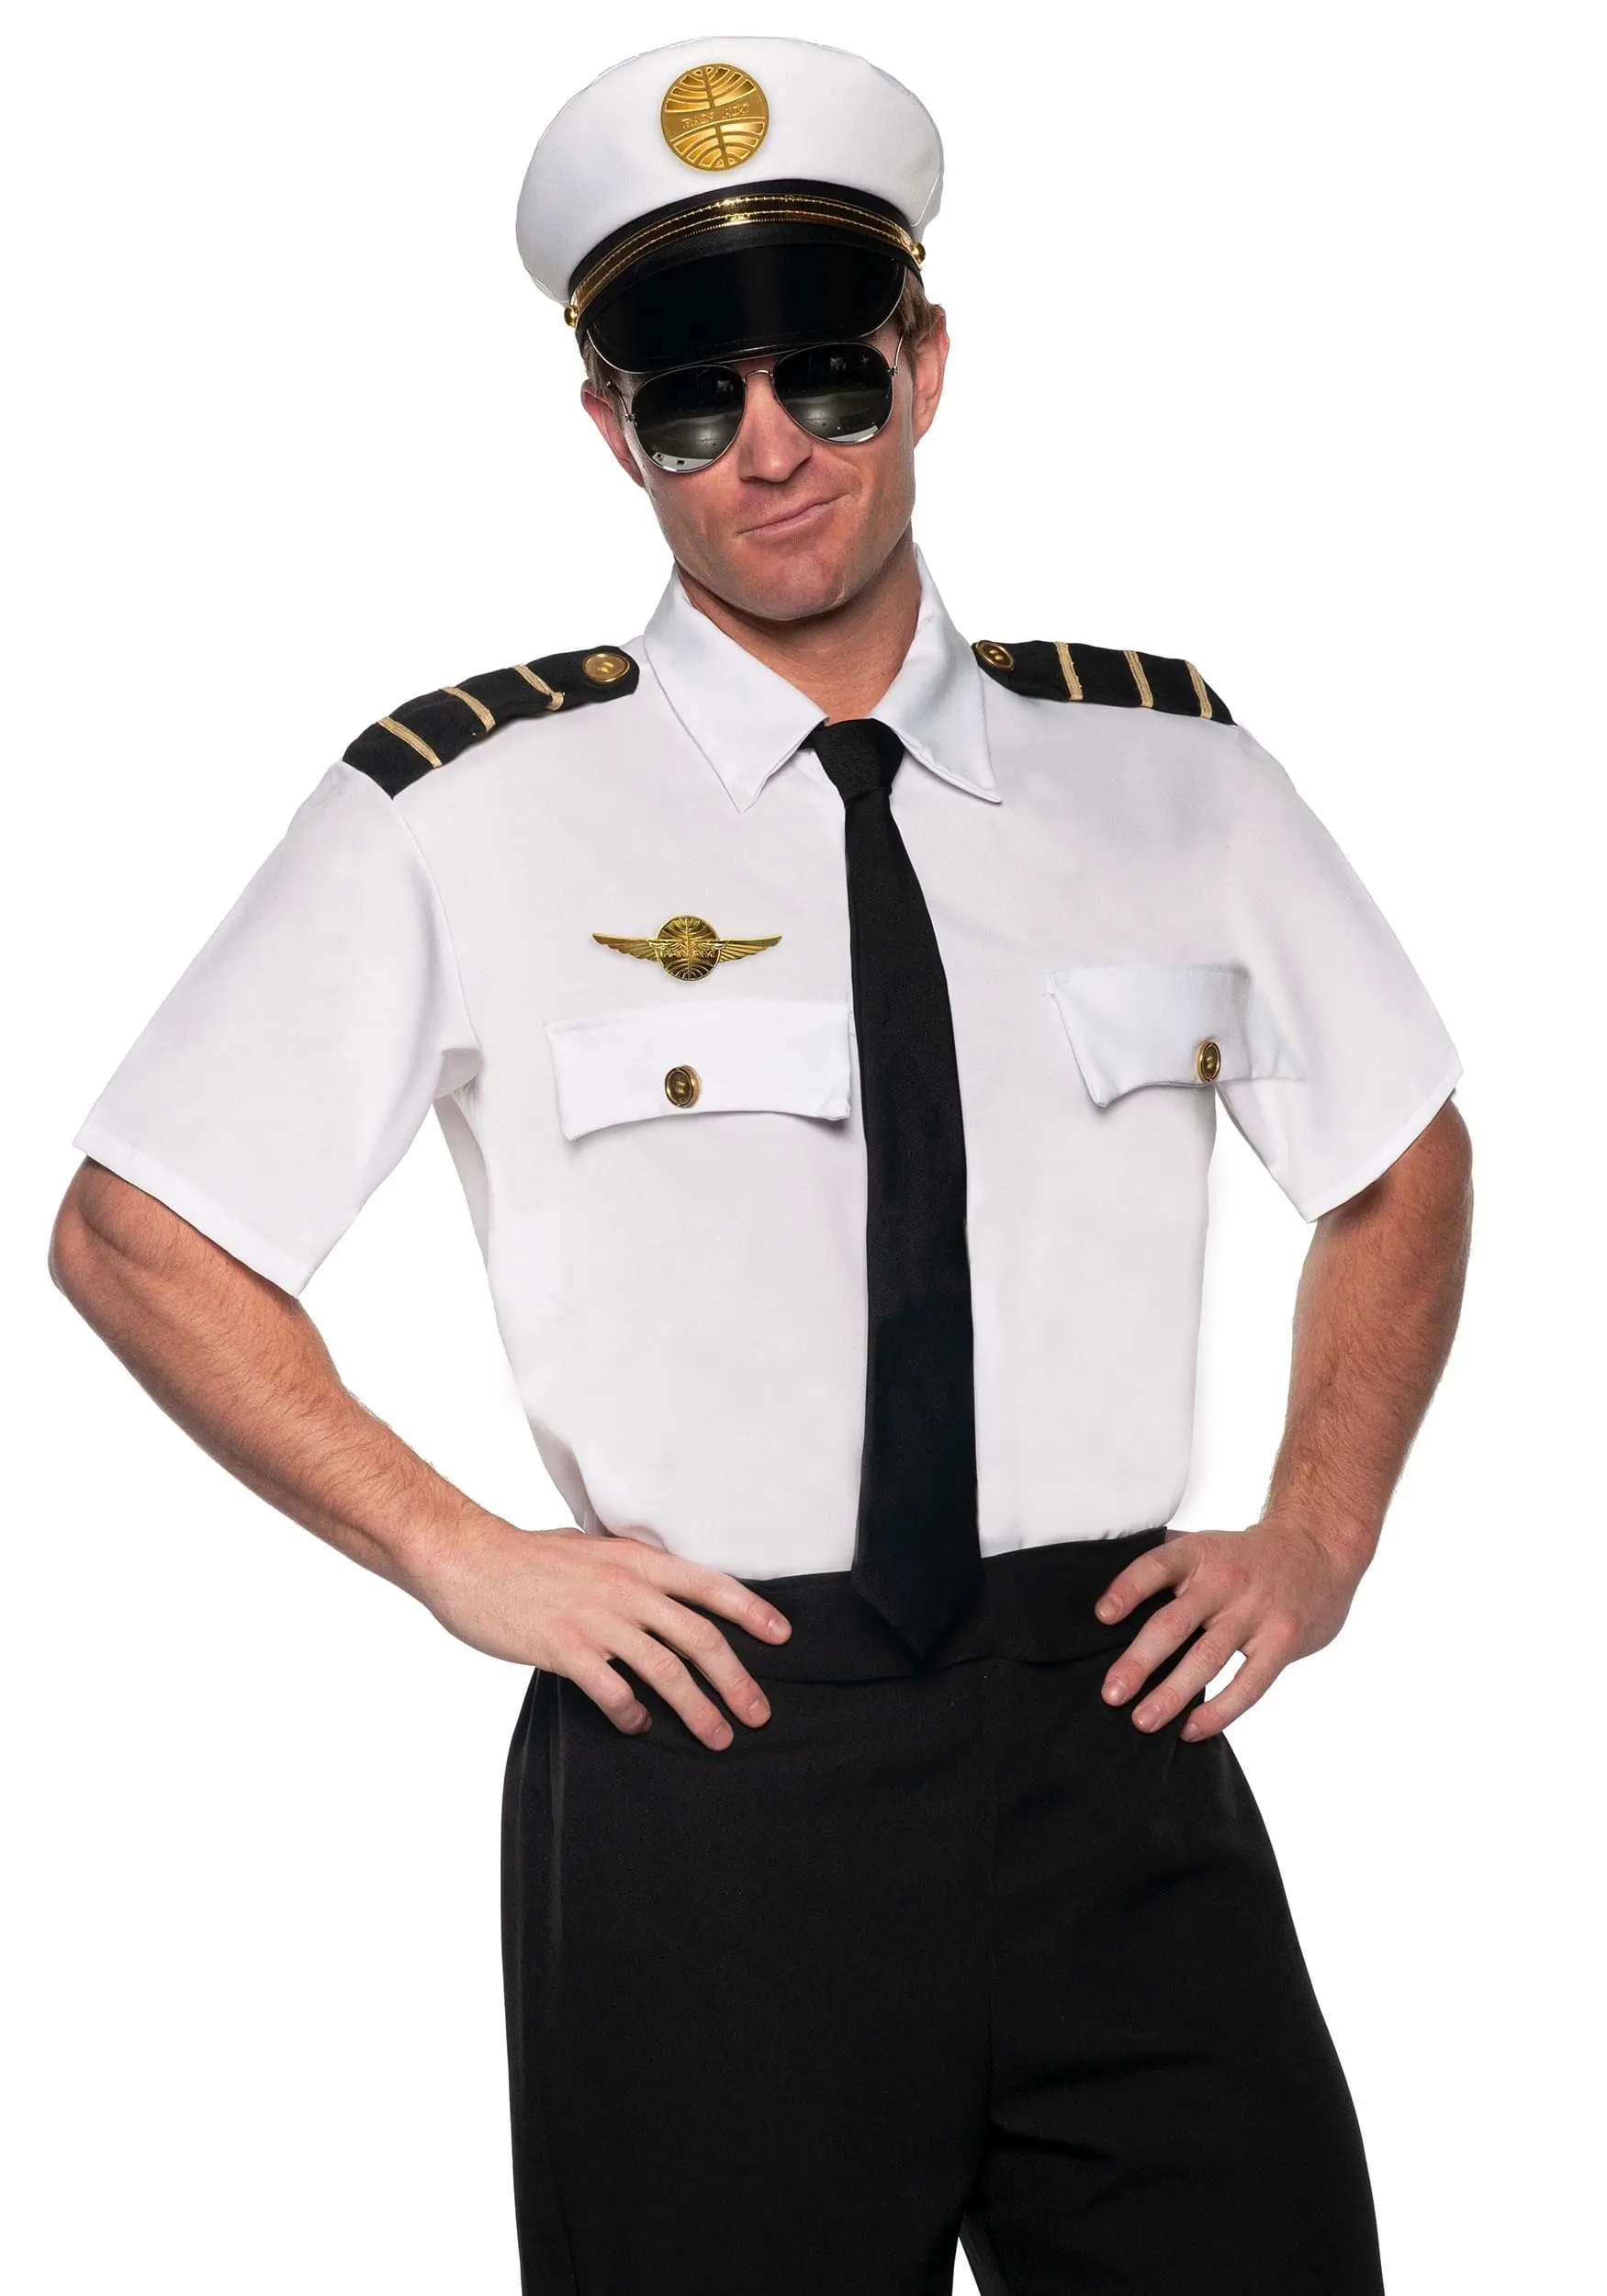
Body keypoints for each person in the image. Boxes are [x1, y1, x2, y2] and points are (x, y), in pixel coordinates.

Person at [50, 34, 1472, 2296]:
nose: (771, 450)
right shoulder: (464, 805)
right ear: (609, 429)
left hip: (1117, 1727)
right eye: (689, 403)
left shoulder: (1171, 772)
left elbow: (1396, 1153)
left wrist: (1317, 1526)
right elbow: (140, 1226)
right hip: (710, 1755)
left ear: (924, 365)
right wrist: (459, 1554)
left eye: (824, 371)